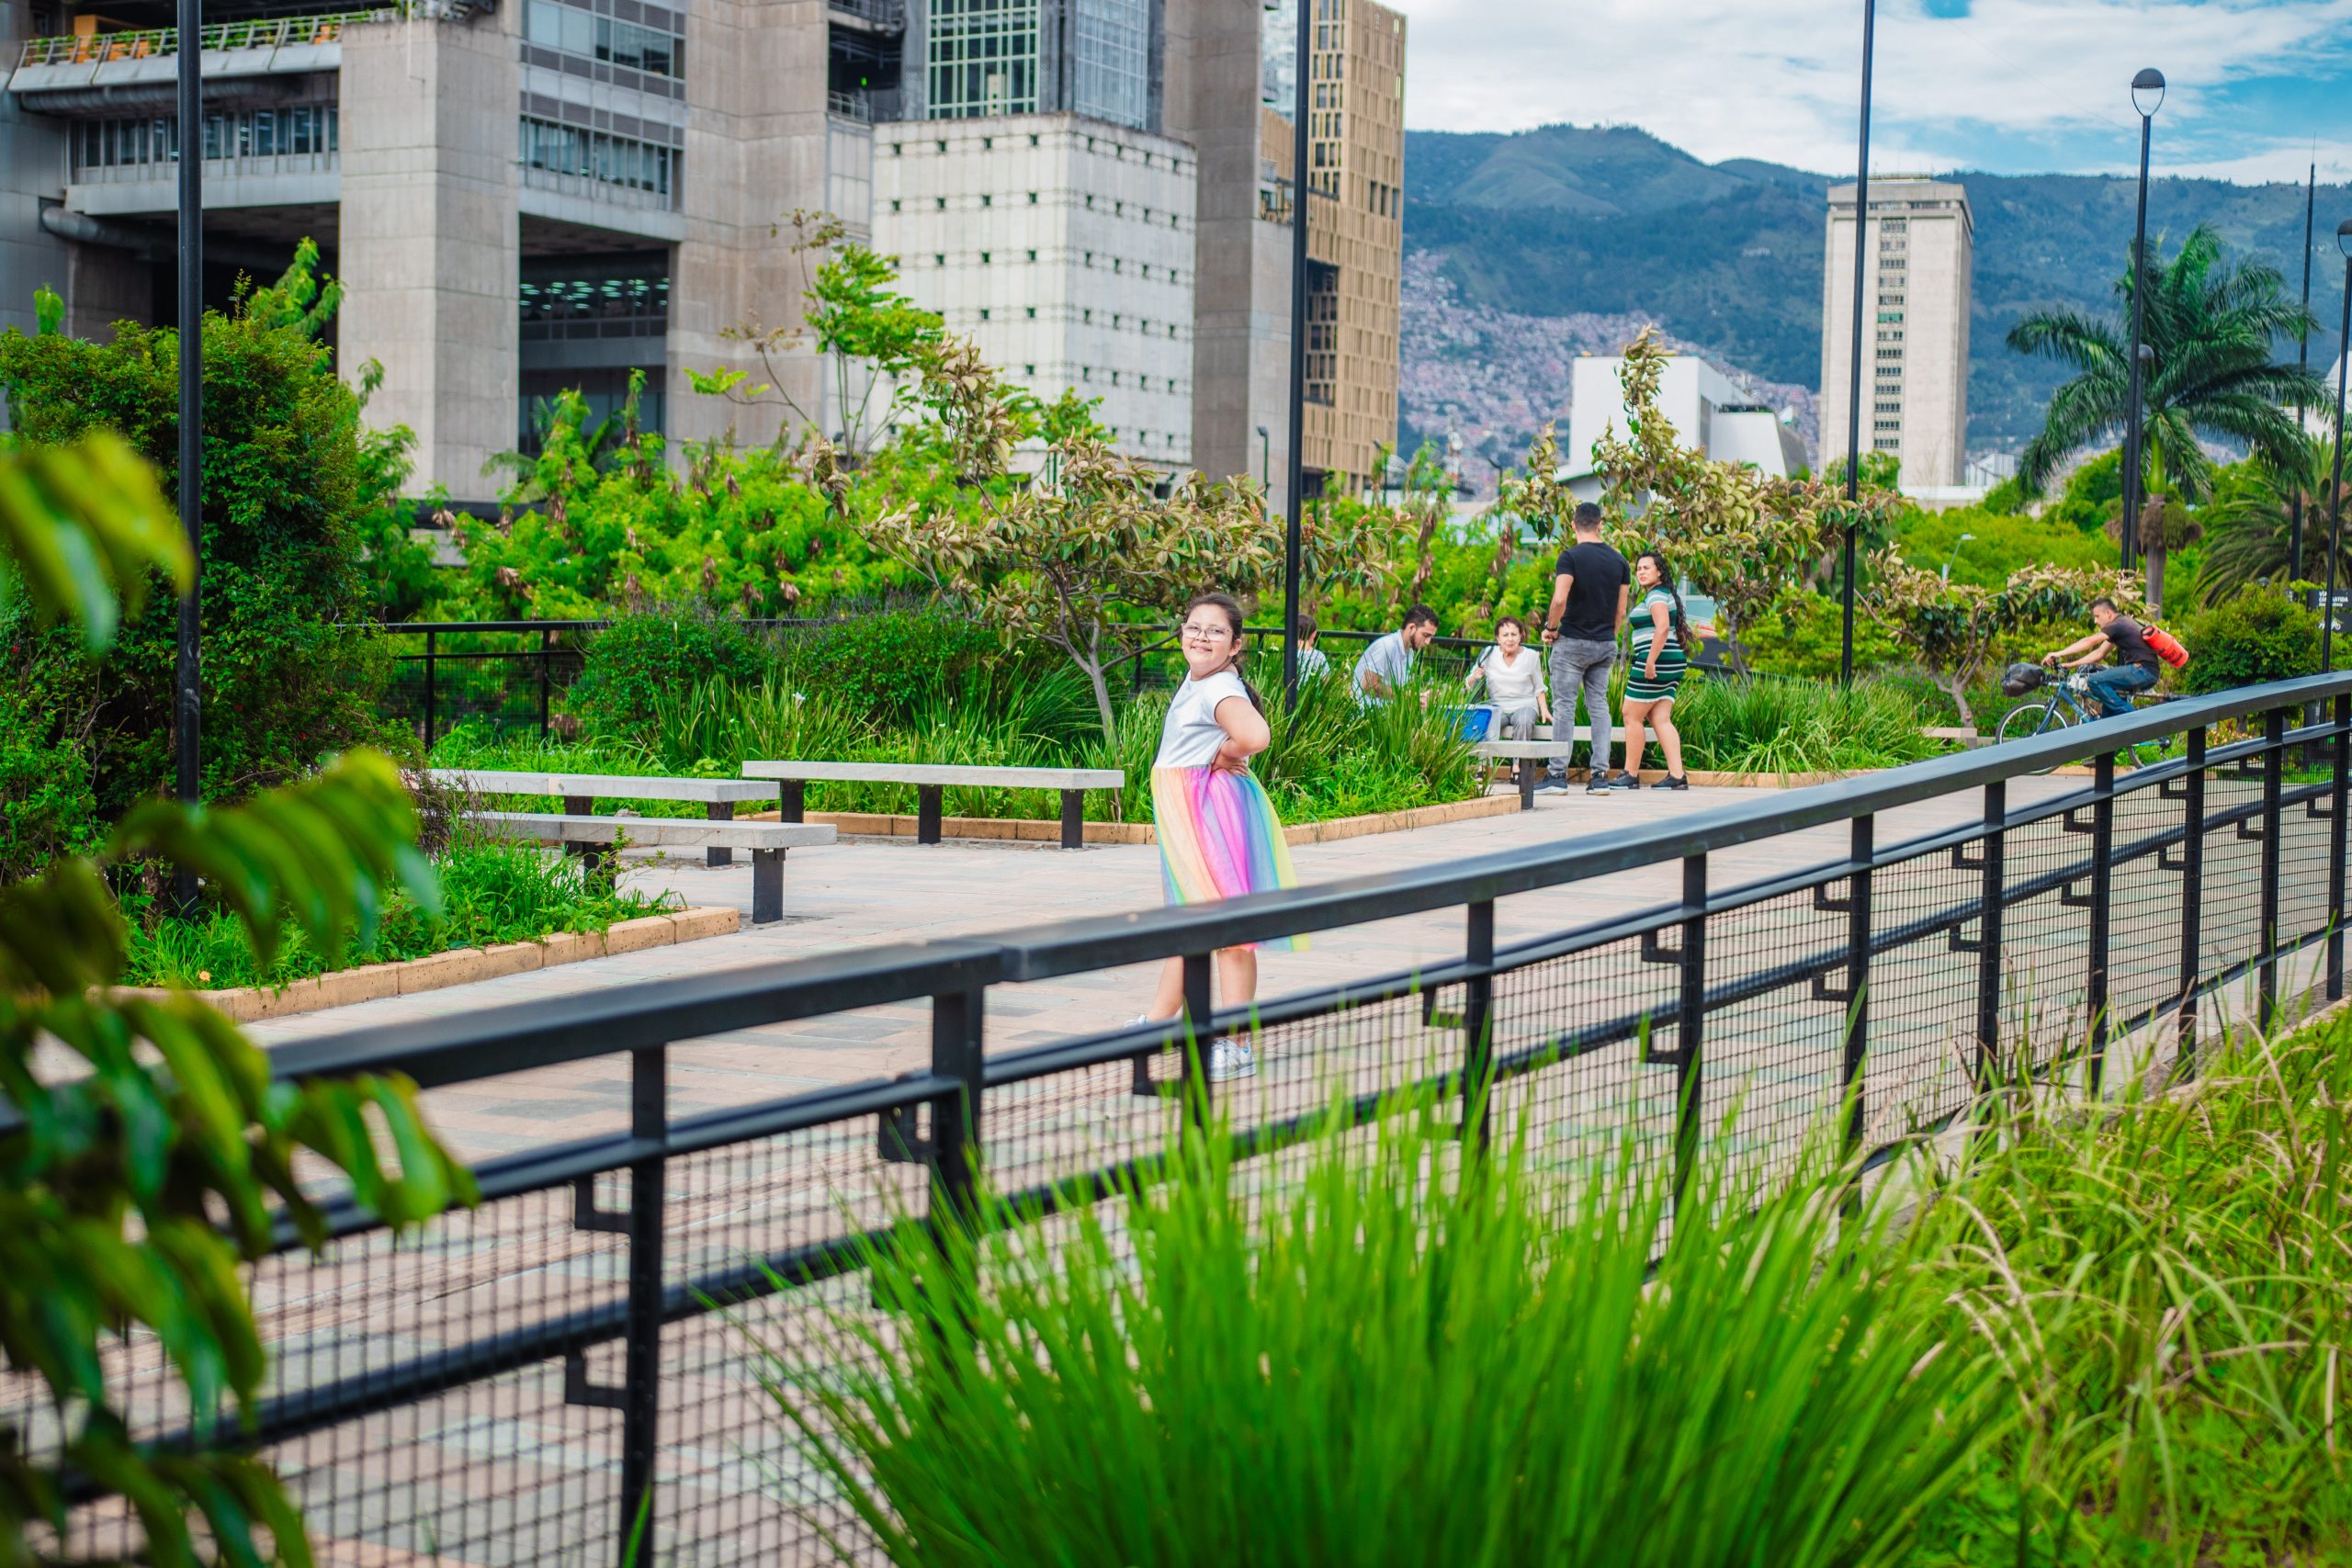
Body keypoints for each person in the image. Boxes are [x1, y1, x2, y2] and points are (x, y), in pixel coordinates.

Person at [1137, 592, 1304, 1080]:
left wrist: (1220, 755)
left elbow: (1256, 737)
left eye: (1215, 631)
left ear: (1235, 645)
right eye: (1194, 627)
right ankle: (1158, 1022)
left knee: (1230, 932)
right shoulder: (1200, 681)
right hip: (1190, 808)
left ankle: (1237, 1045)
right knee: (1190, 923)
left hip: (1209, 810)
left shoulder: (1217, 689)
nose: (1201, 636)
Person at [1539, 502, 1631, 794]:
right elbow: (1620, 612)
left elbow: (1559, 600)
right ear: (1601, 524)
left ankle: (1557, 776)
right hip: (1605, 644)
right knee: (1599, 708)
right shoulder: (1620, 562)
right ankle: (1600, 776)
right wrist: (1608, 637)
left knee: (1564, 707)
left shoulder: (1570, 557)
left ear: (1573, 525)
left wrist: (1551, 628)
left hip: (1572, 643)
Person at [1619, 550, 1690, 791]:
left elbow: (1661, 628)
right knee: (1660, 717)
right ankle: (1677, 775)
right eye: (1638, 568)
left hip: (1657, 661)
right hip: (1672, 661)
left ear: (1659, 571)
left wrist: (1650, 661)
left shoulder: (1656, 596)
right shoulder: (1659, 594)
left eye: (1646, 568)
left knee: (1631, 714)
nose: (1641, 572)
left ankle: (1630, 774)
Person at [2043, 596, 2160, 716]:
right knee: (2108, 716)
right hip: (2145, 672)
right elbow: (2099, 653)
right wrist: (2069, 665)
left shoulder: (2118, 624)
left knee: (2095, 681)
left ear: (2108, 613)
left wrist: (2058, 653)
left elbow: (2089, 642)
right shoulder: (2120, 627)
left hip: (2143, 671)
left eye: (2097, 616)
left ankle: (2136, 720)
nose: (2095, 621)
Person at [1464, 615, 1550, 740]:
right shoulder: (1488, 654)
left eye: (1514, 634)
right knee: (1486, 723)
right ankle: (1484, 760)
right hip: (1497, 707)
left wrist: (1544, 709)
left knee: (1524, 720)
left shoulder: (1531, 656)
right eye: (1505, 635)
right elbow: (1468, 683)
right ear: (1498, 638)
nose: (1510, 639)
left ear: (1520, 636)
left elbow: (1539, 687)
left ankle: (1518, 760)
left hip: (1525, 706)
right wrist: (1474, 677)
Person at [1355, 604, 1439, 704]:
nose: (1428, 642)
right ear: (1411, 628)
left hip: (1386, 714)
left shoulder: (1409, 653)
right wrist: (1409, 697)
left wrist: (1418, 698)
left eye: (1431, 637)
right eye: (1425, 635)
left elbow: (1396, 692)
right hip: (1365, 716)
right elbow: (1368, 685)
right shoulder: (1387, 646)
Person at [1295, 611, 1330, 683]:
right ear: (1314, 634)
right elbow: (1327, 680)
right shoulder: (1319, 656)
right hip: (1314, 694)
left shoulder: (1289, 655)